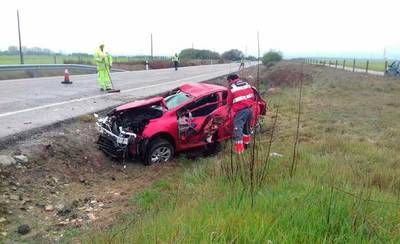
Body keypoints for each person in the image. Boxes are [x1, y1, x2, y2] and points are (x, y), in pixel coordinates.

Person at [227, 74, 255, 154]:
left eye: (228, 81)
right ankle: (247, 145)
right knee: (246, 128)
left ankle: (239, 150)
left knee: (237, 129)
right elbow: (252, 96)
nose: (228, 83)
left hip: (241, 111)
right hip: (250, 109)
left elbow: (229, 102)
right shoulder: (246, 84)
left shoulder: (232, 88)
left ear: (231, 80)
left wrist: (228, 111)